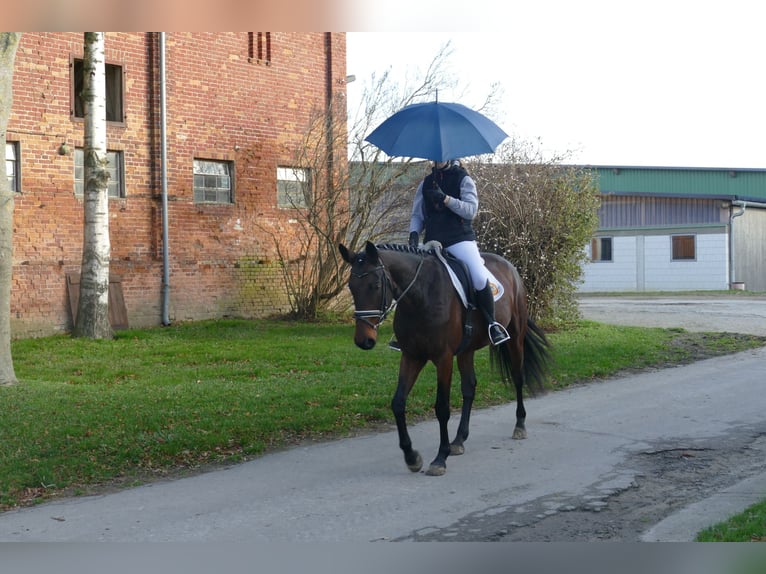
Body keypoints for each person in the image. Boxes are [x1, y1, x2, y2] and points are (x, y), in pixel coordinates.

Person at [389, 159, 510, 350]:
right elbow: (417, 215)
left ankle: (492, 325)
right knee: (412, 278)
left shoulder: (464, 179)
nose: (437, 159)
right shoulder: (426, 183)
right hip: (432, 241)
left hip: (459, 240)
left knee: (478, 277)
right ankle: (404, 332)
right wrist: (413, 234)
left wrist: (446, 199)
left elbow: (471, 211)